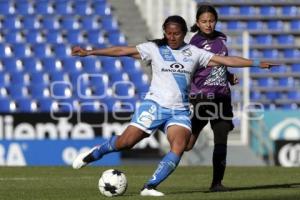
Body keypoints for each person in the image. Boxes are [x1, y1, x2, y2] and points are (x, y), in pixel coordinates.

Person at [71, 15, 275, 196]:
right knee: (126, 143)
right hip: (154, 106)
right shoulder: (154, 48)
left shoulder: (194, 53)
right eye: (168, 33)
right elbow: (122, 50)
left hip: (179, 111)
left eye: (176, 34)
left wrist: (255, 63)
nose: (172, 37)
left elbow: (227, 60)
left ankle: (149, 187)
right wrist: (90, 52)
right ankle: (93, 154)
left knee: (180, 146)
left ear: (184, 33)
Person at [185, 4, 240, 192]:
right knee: (187, 145)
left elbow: (219, 65)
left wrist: (229, 75)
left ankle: (217, 183)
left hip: (222, 97)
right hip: (202, 98)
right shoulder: (194, 43)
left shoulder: (221, 38)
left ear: (215, 20)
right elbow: (189, 69)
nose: (208, 24)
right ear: (197, 23)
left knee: (221, 138)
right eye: (204, 21)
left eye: (211, 21)